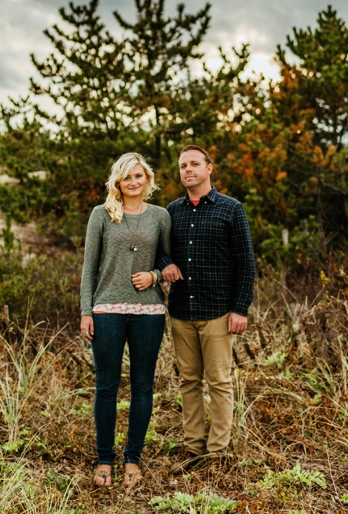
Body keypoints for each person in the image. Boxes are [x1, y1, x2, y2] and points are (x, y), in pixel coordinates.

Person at [157, 145, 255, 468]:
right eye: (183, 165)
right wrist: (167, 263)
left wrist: (240, 308)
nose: (188, 170)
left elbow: (246, 263)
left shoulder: (231, 209)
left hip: (218, 312)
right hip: (182, 311)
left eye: (194, 164)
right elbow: (159, 251)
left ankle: (218, 452)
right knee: (188, 381)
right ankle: (194, 447)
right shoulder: (172, 211)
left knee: (219, 381)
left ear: (209, 168)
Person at [80, 153, 172, 487]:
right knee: (106, 386)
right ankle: (105, 458)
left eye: (139, 176)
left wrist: (154, 274)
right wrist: (85, 311)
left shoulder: (161, 216)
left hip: (148, 312)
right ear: (117, 182)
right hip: (107, 311)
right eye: (126, 177)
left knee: (143, 386)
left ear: (147, 179)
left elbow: (169, 260)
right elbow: (89, 267)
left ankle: (133, 458)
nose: (133, 182)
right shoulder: (101, 215)